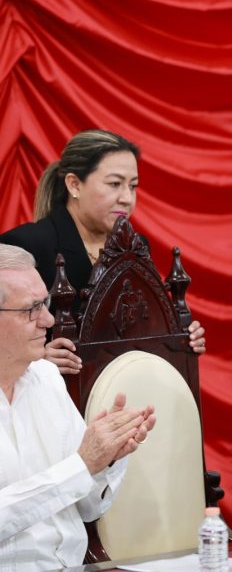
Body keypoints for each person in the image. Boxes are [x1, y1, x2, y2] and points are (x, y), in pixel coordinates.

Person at [0, 244, 156, 570]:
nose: (48, 320)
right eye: (31, 309)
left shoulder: (46, 378)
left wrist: (108, 458)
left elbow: (87, 508)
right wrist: (82, 464)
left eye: (45, 303)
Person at [0, 130, 206, 374]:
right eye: (115, 184)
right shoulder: (26, 244)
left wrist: (180, 336)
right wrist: (37, 359)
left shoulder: (137, 246)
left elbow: (143, 325)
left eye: (133, 186)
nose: (127, 198)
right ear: (74, 184)